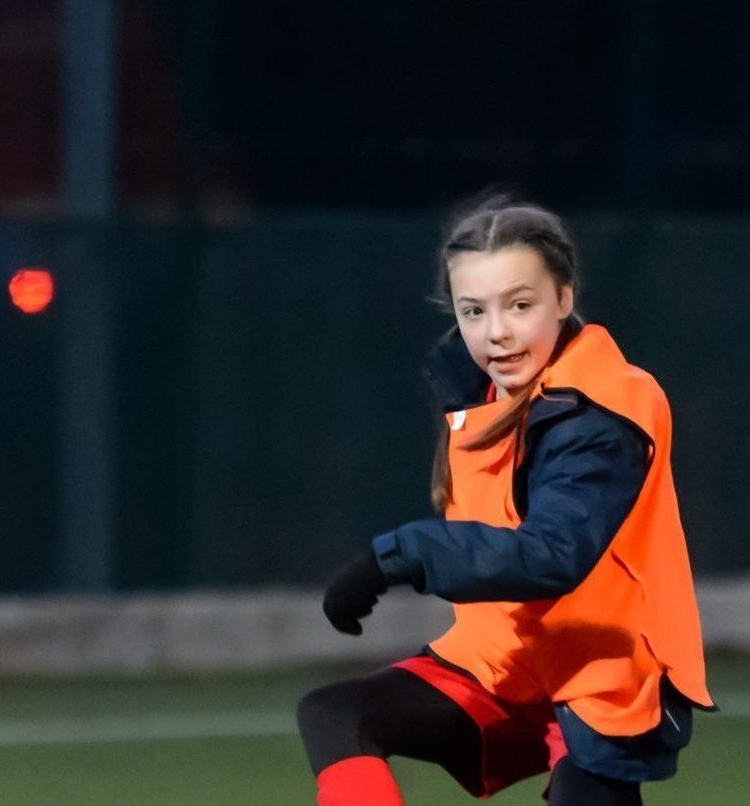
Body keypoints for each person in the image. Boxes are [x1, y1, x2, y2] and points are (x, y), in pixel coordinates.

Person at [296, 198, 712, 805]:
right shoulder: (483, 392)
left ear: (565, 299)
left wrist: (398, 555)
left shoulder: (601, 409)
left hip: (602, 678)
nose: (496, 331)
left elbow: (551, 555)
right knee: (336, 715)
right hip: (504, 664)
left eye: (520, 305)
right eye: (474, 311)